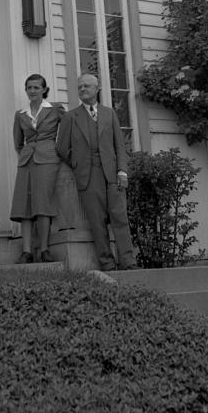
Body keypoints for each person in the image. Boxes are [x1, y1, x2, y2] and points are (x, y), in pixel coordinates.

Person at [56, 72, 137, 271]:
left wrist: (122, 171)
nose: (83, 89)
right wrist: (77, 164)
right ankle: (107, 263)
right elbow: (61, 148)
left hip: (112, 174)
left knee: (120, 217)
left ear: (97, 88)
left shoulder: (109, 113)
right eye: (80, 87)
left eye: (87, 86)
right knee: (97, 221)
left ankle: (128, 261)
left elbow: (119, 145)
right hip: (88, 175)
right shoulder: (70, 117)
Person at [10, 73, 65, 263]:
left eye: (36, 87)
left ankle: (44, 249)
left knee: (43, 204)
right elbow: (18, 143)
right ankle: (26, 252)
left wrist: (57, 151)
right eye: (29, 88)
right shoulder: (20, 114)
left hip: (48, 159)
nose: (32, 91)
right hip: (26, 161)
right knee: (24, 205)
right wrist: (27, 153)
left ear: (44, 89)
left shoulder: (56, 109)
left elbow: (67, 132)